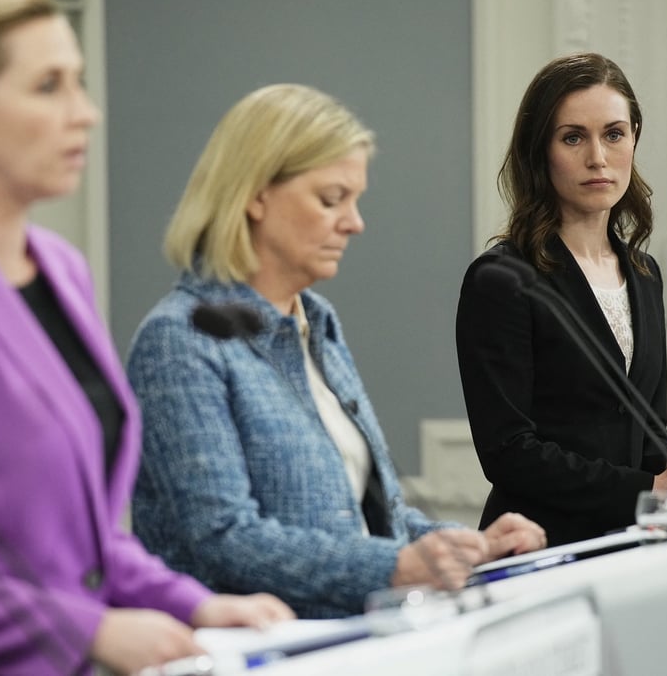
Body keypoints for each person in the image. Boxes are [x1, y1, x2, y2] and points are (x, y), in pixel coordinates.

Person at [0, 0, 292, 673]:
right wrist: (87, 631)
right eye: (50, 86)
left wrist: (191, 603)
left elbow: (82, 538)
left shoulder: (62, 270)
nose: (86, 112)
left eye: (78, 81)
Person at [127, 83, 547, 620]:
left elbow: (372, 515)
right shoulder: (180, 340)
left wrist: (466, 545)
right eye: (331, 199)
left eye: (355, 200)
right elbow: (224, 540)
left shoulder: (318, 322)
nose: (354, 222)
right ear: (255, 194)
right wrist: (396, 566)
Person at [455, 53, 667, 547]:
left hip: (631, 545)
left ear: (633, 139)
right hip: (541, 546)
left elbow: (643, 432)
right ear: (538, 152)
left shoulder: (645, 274)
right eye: (572, 137)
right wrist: (651, 487)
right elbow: (509, 451)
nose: (598, 158)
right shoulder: (501, 279)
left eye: (613, 134)